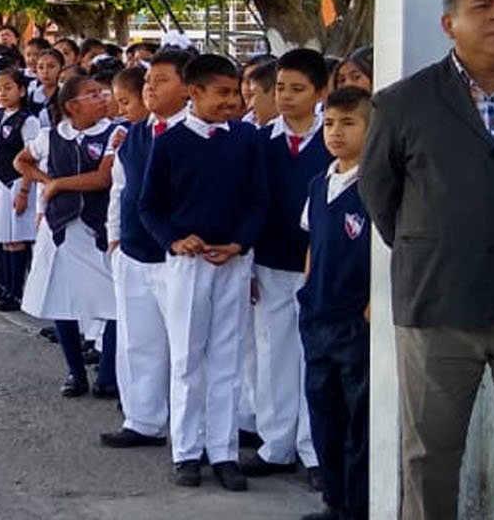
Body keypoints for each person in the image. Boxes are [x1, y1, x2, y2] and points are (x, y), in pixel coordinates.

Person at [359, 0, 494, 520]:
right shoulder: (403, 103)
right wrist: (433, 246)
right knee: (428, 458)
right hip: (437, 309)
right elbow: (381, 196)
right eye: (484, 5)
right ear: (449, 22)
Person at [139, 52, 270, 491]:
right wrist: (175, 240)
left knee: (227, 359)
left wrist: (240, 242)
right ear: (194, 93)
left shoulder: (245, 141)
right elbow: (149, 206)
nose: (233, 101)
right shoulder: (170, 142)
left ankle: (225, 451)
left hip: (232, 260)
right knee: (187, 359)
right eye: (223, 93)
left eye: (236, 92)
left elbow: (259, 201)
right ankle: (187, 452)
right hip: (188, 265)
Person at [245, 47, 332, 481]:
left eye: (298, 89)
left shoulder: (332, 141)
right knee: (273, 354)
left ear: (320, 92)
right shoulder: (259, 141)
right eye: (280, 88)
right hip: (270, 262)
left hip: (319, 266)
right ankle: (275, 445)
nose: (286, 97)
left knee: (314, 357)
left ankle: (315, 451)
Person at [100, 55, 187, 450]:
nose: (150, 87)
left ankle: (189, 430)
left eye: (162, 80)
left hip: (177, 255)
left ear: (188, 88)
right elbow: (119, 190)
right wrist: (114, 239)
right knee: (139, 340)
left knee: (184, 346)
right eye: (148, 80)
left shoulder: (197, 135)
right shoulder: (133, 135)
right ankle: (142, 419)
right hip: (132, 252)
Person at [296, 85, 374, 520]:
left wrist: (370, 308)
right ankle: (334, 500)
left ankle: (358, 507)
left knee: (357, 420)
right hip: (317, 315)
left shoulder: (376, 185)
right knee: (323, 413)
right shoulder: (318, 181)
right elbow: (313, 243)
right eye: (329, 123)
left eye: (348, 123)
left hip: (354, 319)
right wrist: (308, 290)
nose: (336, 132)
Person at [16, 73, 119, 398]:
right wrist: (45, 179)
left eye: (103, 93)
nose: (102, 98)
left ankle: (108, 374)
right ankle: (75, 372)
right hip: (60, 229)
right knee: (61, 299)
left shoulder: (114, 133)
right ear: (72, 105)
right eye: (93, 95)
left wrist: (59, 184)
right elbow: (21, 160)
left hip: (96, 227)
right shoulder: (51, 136)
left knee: (113, 301)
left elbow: (103, 178)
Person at [0, 66, 42, 312]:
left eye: (8, 88)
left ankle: (17, 292)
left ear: (22, 90)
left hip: (17, 182)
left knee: (16, 240)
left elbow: (33, 157)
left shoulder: (28, 121)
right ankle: (5, 287)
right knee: (3, 238)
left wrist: (25, 191)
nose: (2, 93)